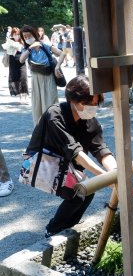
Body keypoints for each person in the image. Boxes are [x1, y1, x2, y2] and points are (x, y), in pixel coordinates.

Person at [24, 75, 117, 237]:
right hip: (43, 161)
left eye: (95, 104)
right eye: (87, 104)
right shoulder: (55, 115)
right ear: (73, 101)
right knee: (78, 192)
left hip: (67, 162)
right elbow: (76, 153)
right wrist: (107, 179)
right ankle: (53, 230)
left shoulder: (89, 120)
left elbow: (101, 149)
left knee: (89, 189)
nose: (92, 108)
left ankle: (68, 228)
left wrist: (116, 173)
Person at [19, 25, 65, 126]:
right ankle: (40, 128)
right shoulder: (27, 49)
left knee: (50, 103)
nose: (27, 38)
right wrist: (30, 48)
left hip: (48, 77)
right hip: (35, 80)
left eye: (28, 35)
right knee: (37, 105)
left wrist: (57, 67)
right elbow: (21, 59)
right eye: (25, 37)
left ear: (34, 35)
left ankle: (53, 126)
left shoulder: (45, 46)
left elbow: (62, 53)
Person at [2, 27, 29, 103]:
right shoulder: (9, 41)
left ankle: (26, 97)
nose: (17, 36)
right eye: (15, 34)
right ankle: (21, 97)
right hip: (13, 62)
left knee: (23, 78)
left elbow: (27, 50)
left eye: (18, 34)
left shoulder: (23, 41)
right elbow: (5, 49)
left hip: (21, 62)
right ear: (12, 35)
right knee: (16, 79)